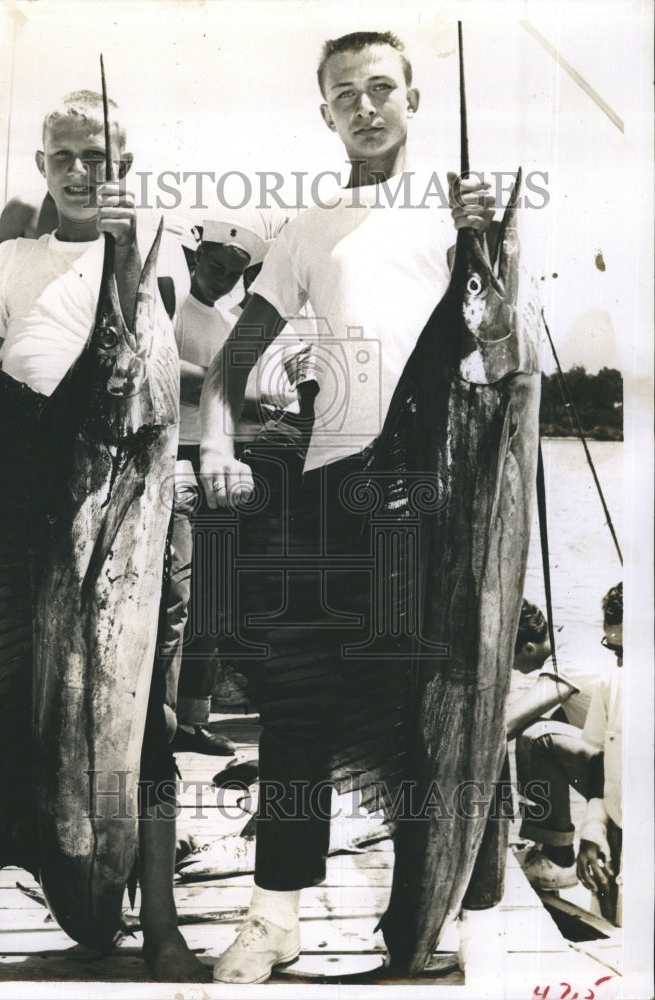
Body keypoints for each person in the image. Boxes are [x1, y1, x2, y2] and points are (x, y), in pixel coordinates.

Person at [198, 31, 495, 983]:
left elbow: (504, 352)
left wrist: (490, 241)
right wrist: (213, 441)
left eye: (381, 89)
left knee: (426, 711)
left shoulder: (459, 213)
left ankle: (434, 920)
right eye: (344, 95)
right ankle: (275, 913)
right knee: (296, 704)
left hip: (434, 493)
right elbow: (233, 360)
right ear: (324, 111)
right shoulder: (307, 228)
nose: (364, 107)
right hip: (330, 485)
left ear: (412, 97)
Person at [0, 89, 207, 982]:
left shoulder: (156, 262)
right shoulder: (12, 259)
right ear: (42, 168)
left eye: (99, 157)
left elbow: (194, 344)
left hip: (131, 497)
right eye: (64, 156)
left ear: (125, 168)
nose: (81, 171)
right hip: (24, 499)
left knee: (144, 717)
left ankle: (161, 927)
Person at [163, 220, 268, 757]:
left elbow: (233, 393)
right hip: (172, 459)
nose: (223, 280)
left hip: (218, 462)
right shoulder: (167, 301)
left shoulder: (235, 320)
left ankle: (194, 716)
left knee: (211, 594)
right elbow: (165, 371)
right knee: (176, 594)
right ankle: (161, 721)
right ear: (193, 256)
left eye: (234, 273)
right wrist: (233, 389)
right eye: (213, 266)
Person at [512, 600, 609, 890]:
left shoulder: (569, 661)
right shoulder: (568, 635)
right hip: (616, 761)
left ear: (529, 649)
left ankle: (559, 858)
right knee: (547, 723)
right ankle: (549, 842)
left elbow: (510, 722)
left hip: (623, 775)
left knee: (535, 735)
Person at [576, 583, 623, 925]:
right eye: (613, 649)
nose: (620, 662)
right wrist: (592, 833)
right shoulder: (610, 683)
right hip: (623, 836)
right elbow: (598, 761)